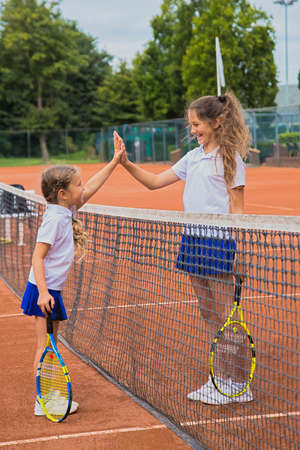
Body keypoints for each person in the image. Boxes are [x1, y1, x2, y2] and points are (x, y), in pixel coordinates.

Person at [114, 91, 253, 405]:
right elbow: (153, 182)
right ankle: (221, 380)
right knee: (208, 313)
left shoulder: (231, 160)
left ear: (217, 122)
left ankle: (236, 382)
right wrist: (125, 163)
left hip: (218, 243)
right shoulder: (192, 158)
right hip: (192, 241)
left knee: (226, 316)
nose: (193, 130)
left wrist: (241, 253)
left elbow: (238, 208)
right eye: (191, 125)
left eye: (197, 124)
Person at [21, 137, 124, 416]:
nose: (82, 187)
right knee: (45, 347)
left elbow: (91, 187)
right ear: (63, 193)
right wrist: (43, 293)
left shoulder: (66, 208)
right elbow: (37, 257)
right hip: (43, 291)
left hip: (49, 290)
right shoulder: (54, 219)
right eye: (77, 184)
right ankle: (42, 400)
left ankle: (49, 394)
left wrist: (114, 162)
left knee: (51, 345)